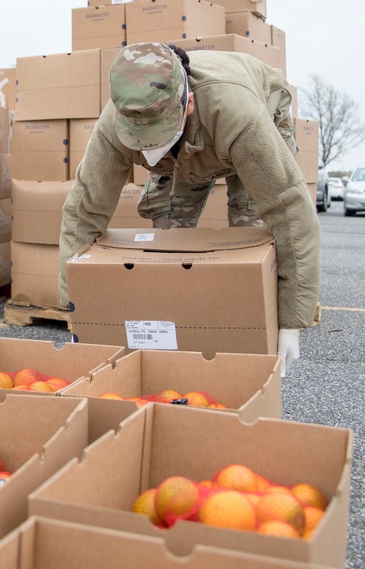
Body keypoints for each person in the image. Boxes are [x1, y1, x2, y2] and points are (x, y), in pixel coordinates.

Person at [59, 42, 320, 376]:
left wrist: (290, 323)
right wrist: (75, 305)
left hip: (237, 124)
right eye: (142, 141)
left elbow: (290, 211)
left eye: (158, 138)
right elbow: (84, 210)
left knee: (249, 239)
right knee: (168, 238)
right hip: (189, 145)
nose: (150, 154)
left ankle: (244, 330)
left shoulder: (240, 117)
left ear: (189, 104)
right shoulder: (117, 120)